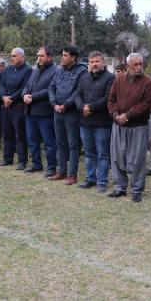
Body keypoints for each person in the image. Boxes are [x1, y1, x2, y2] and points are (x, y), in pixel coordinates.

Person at [108, 53, 151, 202]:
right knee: (117, 157)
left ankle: (136, 189)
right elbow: (111, 99)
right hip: (118, 125)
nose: (139, 67)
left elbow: (145, 104)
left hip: (138, 126)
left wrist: (127, 115)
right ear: (127, 66)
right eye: (135, 64)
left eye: (140, 64)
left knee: (138, 159)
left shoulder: (148, 82)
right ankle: (120, 187)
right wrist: (115, 115)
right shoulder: (119, 80)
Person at [74, 51, 115, 192]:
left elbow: (108, 98)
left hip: (102, 123)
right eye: (92, 62)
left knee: (102, 154)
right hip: (85, 122)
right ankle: (91, 178)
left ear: (103, 62)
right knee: (89, 153)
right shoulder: (84, 78)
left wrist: (90, 107)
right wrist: (81, 106)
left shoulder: (110, 78)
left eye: (97, 61)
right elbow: (77, 94)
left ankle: (102, 182)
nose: (94, 64)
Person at [48, 46, 87, 185]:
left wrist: (66, 105)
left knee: (73, 144)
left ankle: (72, 174)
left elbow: (78, 91)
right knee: (60, 143)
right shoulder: (59, 71)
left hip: (71, 113)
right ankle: (61, 171)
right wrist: (54, 104)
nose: (62, 57)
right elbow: (51, 87)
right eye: (62, 54)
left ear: (73, 57)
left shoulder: (81, 71)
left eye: (65, 55)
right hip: (57, 111)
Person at [22, 46, 58, 177]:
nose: (39, 58)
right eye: (38, 56)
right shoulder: (36, 70)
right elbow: (27, 85)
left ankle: (52, 167)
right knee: (32, 140)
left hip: (45, 113)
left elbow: (51, 89)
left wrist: (32, 97)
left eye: (42, 56)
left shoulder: (55, 71)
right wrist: (25, 94)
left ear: (50, 57)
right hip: (30, 112)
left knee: (49, 142)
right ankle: (36, 164)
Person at [0, 48, 32, 170]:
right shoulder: (8, 69)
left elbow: (24, 87)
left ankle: (22, 161)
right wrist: (3, 97)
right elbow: (1, 84)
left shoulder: (28, 70)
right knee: (7, 134)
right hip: (6, 106)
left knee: (20, 135)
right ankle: (7, 158)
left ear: (22, 57)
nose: (12, 58)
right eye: (11, 56)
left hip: (18, 106)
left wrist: (11, 98)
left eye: (15, 56)